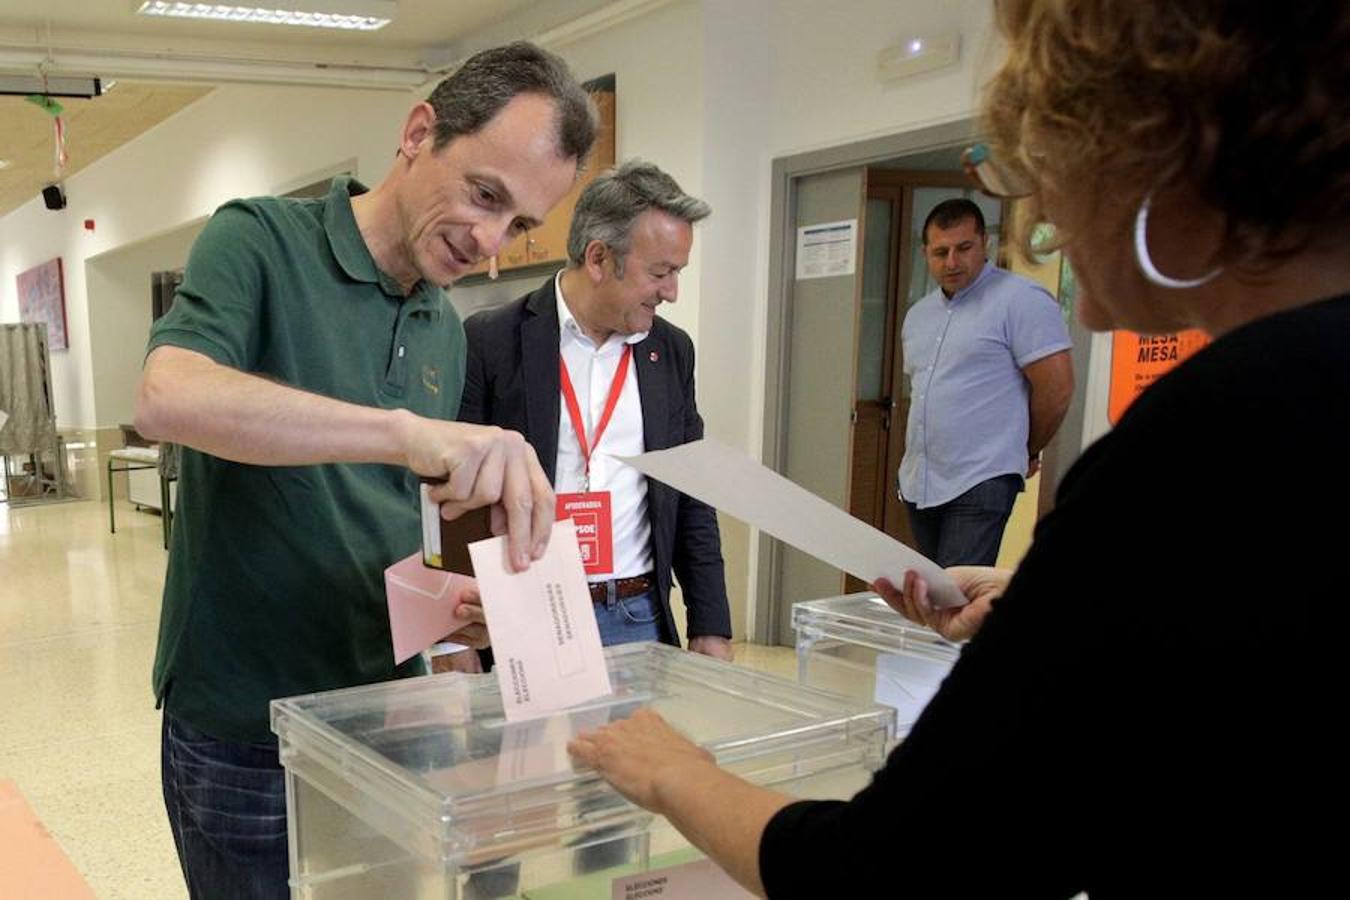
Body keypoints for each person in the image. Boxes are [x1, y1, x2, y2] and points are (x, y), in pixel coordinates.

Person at [568, 1, 1348, 895]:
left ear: (1155, 156)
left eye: (1050, 191)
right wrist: (1048, 598)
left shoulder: (1216, 432)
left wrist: (676, 771)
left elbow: (900, 866)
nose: (1045, 229)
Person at [135, 42, 598, 899]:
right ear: (419, 133)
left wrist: (465, 627)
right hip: (246, 726)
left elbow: (398, 521)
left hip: (380, 718)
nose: (491, 242)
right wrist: (401, 431)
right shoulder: (260, 241)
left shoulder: (440, 325)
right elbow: (169, 396)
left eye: (521, 225)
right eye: (485, 196)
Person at [459, 160, 735, 661]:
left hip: (639, 616)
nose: (672, 291)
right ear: (599, 258)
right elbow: (457, 497)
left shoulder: (671, 352)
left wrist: (710, 624)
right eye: (661, 272)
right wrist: (452, 637)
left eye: (677, 273)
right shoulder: (491, 341)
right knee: (534, 745)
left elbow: (693, 492)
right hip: (527, 615)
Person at [898, 196, 1073, 567]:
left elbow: (1056, 390)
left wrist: (1023, 449)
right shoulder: (918, 316)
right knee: (935, 602)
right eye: (940, 252)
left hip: (982, 477)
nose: (952, 262)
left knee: (955, 600)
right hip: (921, 480)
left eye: (964, 248)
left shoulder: (1020, 301)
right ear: (925, 253)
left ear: (985, 244)